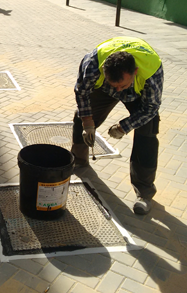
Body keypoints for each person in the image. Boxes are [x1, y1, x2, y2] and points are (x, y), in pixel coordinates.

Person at [72, 36, 163, 215]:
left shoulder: (151, 71)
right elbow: (82, 92)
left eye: (122, 85)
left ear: (135, 71)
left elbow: (151, 108)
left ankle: (144, 193)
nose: (118, 91)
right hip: (103, 89)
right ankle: (78, 161)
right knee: (80, 117)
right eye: (115, 84)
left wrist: (124, 127)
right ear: (104, 71)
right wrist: (88, 122)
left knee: (148, 133)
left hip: (137, 94)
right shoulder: (92, 64)